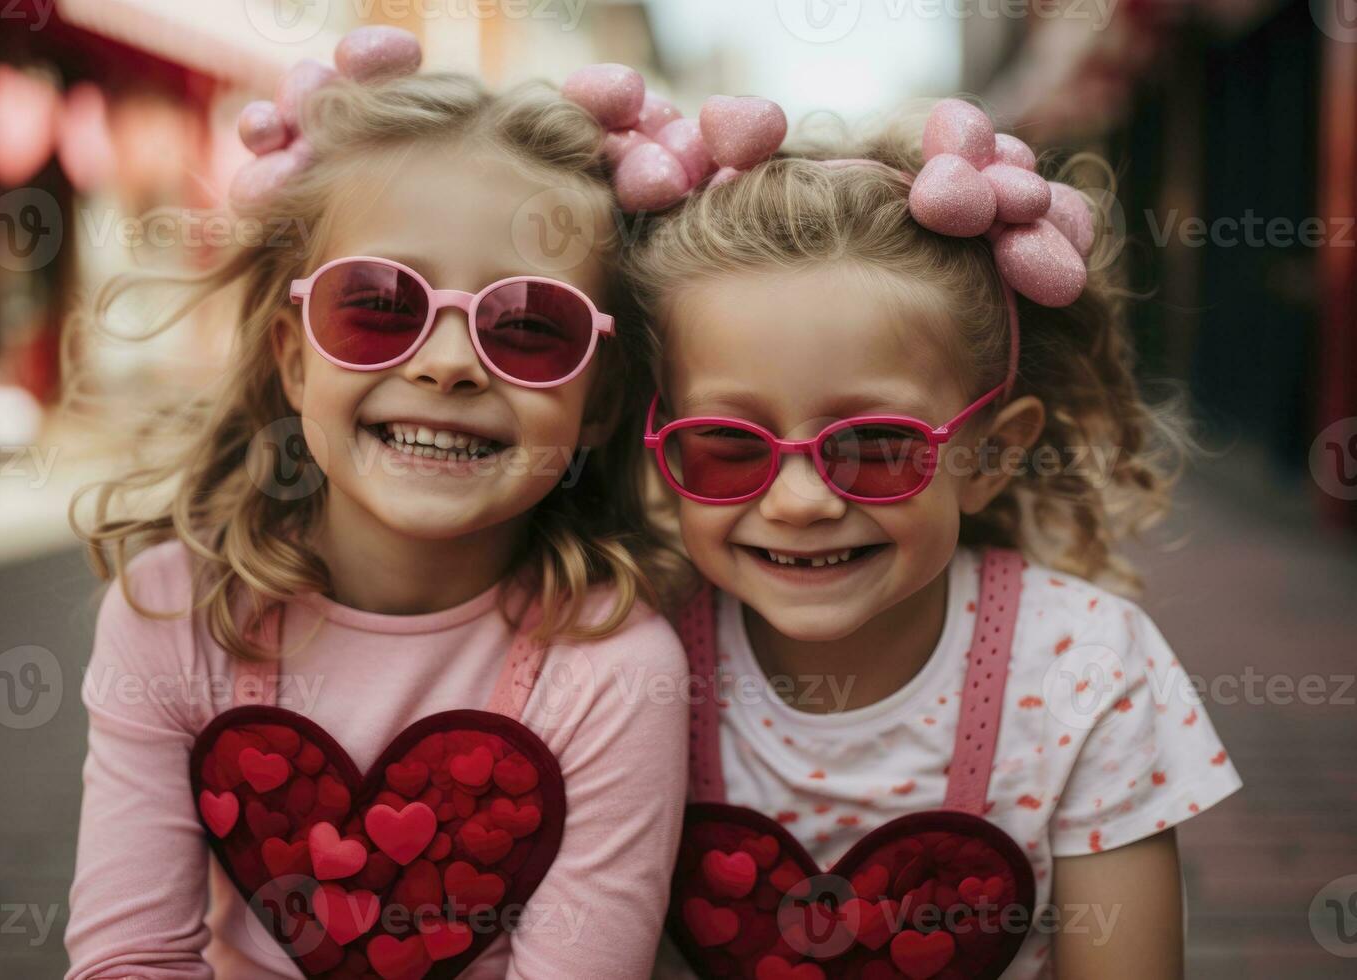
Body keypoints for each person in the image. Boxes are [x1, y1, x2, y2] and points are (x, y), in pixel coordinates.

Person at [63, 29, 689, 980]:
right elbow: (131, 957)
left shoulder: (615, 669)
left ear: (598, 401)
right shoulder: (173, 612)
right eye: (380, 305)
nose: (444, 364)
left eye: (528, 328)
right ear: (292, 353)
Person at [609, 89, 1241, 977]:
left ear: (989, 456)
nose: (797, 502)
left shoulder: (1088, 667)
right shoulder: (627, 653)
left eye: (873, 447)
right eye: (726, 445)